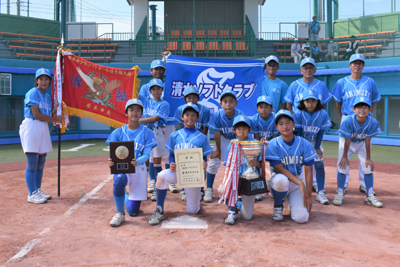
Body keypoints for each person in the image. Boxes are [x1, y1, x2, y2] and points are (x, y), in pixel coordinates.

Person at [148, 103, 213, 225]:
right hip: (177, 172)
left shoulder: (202, 137)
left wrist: (204, 163)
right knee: (161, 175)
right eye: (187, 115)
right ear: (182, 117)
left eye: (193, 115)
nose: (190, 117)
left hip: (193, 175)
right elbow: (172, 154)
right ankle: (159, 209)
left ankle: (195, 201)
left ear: (198, 118)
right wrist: (172, 163)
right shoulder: (175, 135)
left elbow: (203, 156)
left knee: (193, 211)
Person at [332, 54, 381, 194]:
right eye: (354, 63)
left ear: (363, 66)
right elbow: (338, 103)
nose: (357, 65)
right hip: (347, 118)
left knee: (365, 153)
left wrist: (367, 114)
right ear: (350, 65)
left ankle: (365, 185)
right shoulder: (341, 82)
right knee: (343, 154)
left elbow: (373, 101)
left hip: (365, 121)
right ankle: (343, 185)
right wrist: (344, 117)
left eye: (360, 63)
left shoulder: (370, 82)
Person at [107, 99, 157, 227]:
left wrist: (138, 161)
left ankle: (124, 196)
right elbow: (114, 154)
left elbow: (147, 154)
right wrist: (111, 161)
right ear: (126, 113)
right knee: (118, 179)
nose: (135, 113)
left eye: (138, 110)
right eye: (131, 110)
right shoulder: (117, 132)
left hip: (139, 169)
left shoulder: (147, 132)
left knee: (133, 211)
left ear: (141, 113)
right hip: (123, 169)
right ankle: (119, 213)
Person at [19, 68, 63, 204]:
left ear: (49, 81)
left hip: (43, 126)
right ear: (36, 80)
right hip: (32, 125)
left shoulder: (47, 97)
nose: (44, 81)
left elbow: (46, 114)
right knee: (32, 161)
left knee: (41, 161)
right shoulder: (33, 93)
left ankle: (37, 190)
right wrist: (55, 119)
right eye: (41, 79)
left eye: (46, 79)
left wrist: (53, 110)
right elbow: (36, 114)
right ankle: (31, 193)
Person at [265, 110, 317, 223]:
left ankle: (294, 204)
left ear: (293, 123)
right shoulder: (273, 144)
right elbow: (279, 169)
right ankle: (278, 205)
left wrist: (308, 193)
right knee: (281, 180)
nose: (285, 126)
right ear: (276, 127)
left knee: (301, 218)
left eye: (288, 122)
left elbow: (308, 170)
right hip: (279, 180)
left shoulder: (304, 144)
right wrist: (300, 183)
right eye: (281, 124)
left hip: (297, 181)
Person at [333, 96, 383, 208]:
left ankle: (369, 195)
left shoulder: (372, 122)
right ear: (353, 110)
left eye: (365, 107)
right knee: (342, 166)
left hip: (362, 143)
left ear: (370, 109)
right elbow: (347, 139)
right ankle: (340, 193)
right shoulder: (348, 121)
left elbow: (368, 140)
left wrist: (368, 158)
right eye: (359, 107)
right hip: (347, 142)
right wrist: (344, 156)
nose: (362, 110)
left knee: (367, 166)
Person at [205, 89, 244, 203]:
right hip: (221, 140)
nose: (228, 104)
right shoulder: (217, 115)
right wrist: (217, 150)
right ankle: (209, 189)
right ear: (221, 103)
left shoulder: (240, 115)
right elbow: (216, 133)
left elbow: (243, 133)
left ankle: (239, 189)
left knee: (239, 165)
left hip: (236, 140)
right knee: (213, 162)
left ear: (236, 103)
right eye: (225, 101)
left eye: (231, 101)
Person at [293, 90, 332, 204]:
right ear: (303, 102)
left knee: (319, 165)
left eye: (313, 101)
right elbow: (298, 131)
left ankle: (320, 192)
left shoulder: (323, 113)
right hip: (300, 142)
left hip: (315, 142)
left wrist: (317, 147)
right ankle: (297, 191)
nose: (310, 103)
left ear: (317, 102)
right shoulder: (298, 113)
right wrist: (300, 147)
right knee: (297, 166)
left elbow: (320, 132)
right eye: (308, 101)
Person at [174, 85, 211, 201]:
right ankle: (184, 189)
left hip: (200, 137)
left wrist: (200, 141)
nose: (191, 100)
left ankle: (200, 188)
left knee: (201, 165)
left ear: (198, 98)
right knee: (185, 164)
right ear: (185, 98)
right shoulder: (181, 109)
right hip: (186, 137)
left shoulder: (204, 110)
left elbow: (205, 127)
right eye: (188, 97)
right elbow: (182, 127)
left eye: (194, 97)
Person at [224, 115, 262, 225]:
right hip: (236, 178)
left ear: (250, 130)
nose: (241, 131)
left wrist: (255, 163)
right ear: (234, 130)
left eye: (244, 128)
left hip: (250, 180)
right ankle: (233, 209)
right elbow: (227, 167)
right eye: (239, 128)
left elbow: (261, 166)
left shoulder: (256, 144)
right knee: (223, 189)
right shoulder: (231, 145)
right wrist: (226, 182)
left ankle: (241, 204)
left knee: (247, 217)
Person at [139, 78, 170, 201]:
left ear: (162, 90)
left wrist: (139, 120)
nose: (156, 91)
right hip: (144, 133)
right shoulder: (145, 100)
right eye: (153, 88)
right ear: (149, 90)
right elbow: (132, 91)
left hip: (156, 132)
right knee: (145, 163)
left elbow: (155, 118)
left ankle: (159, 189)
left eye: (158, 88)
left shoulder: (164, 104)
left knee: (157, 163)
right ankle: (142, 188)